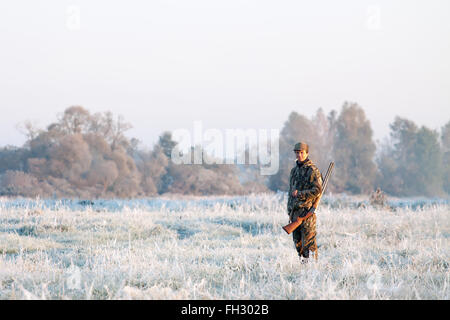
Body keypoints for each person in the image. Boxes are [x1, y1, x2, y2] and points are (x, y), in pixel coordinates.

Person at [287, 142, 323, 263]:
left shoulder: (313, 170)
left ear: (307, 153)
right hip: (295, 213)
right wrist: (290, 210)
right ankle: (303, 270)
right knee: (299, 246)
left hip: (307, 213)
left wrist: (301, 194)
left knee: (309, 245)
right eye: (297, 153)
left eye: (301, 153)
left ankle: (313, 270)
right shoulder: (294, 171)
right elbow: (290, 192)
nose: (299, 155)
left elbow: (318, 190)